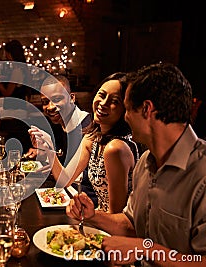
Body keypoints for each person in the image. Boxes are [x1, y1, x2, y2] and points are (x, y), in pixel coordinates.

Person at [67, 63, 206, 266]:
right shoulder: (146, 162)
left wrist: (143, 248)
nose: (125, 117)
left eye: (128, 109)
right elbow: (129, 224)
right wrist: (93, 216)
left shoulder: (201, 172)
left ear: (147, 109)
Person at [30, 73, 139, 213]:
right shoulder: (93, 137)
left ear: (125, 108)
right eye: (102, 95)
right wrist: (48, 148)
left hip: (113, 226)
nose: (103, 103)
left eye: (114, 101)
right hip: (99, 216)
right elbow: (64, 179)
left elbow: (116, 215)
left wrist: (86, 217)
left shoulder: (115, 148)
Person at [25, 75, 98, 207]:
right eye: (45, 102)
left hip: (86, 202)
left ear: (72, 98)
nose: (50, 106)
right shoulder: (62, 123)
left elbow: (72, 178)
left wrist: (49, 149)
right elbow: (64, 161)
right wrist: (42, 151)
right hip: (68, 194)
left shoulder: (85, 127)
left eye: (57, 99)